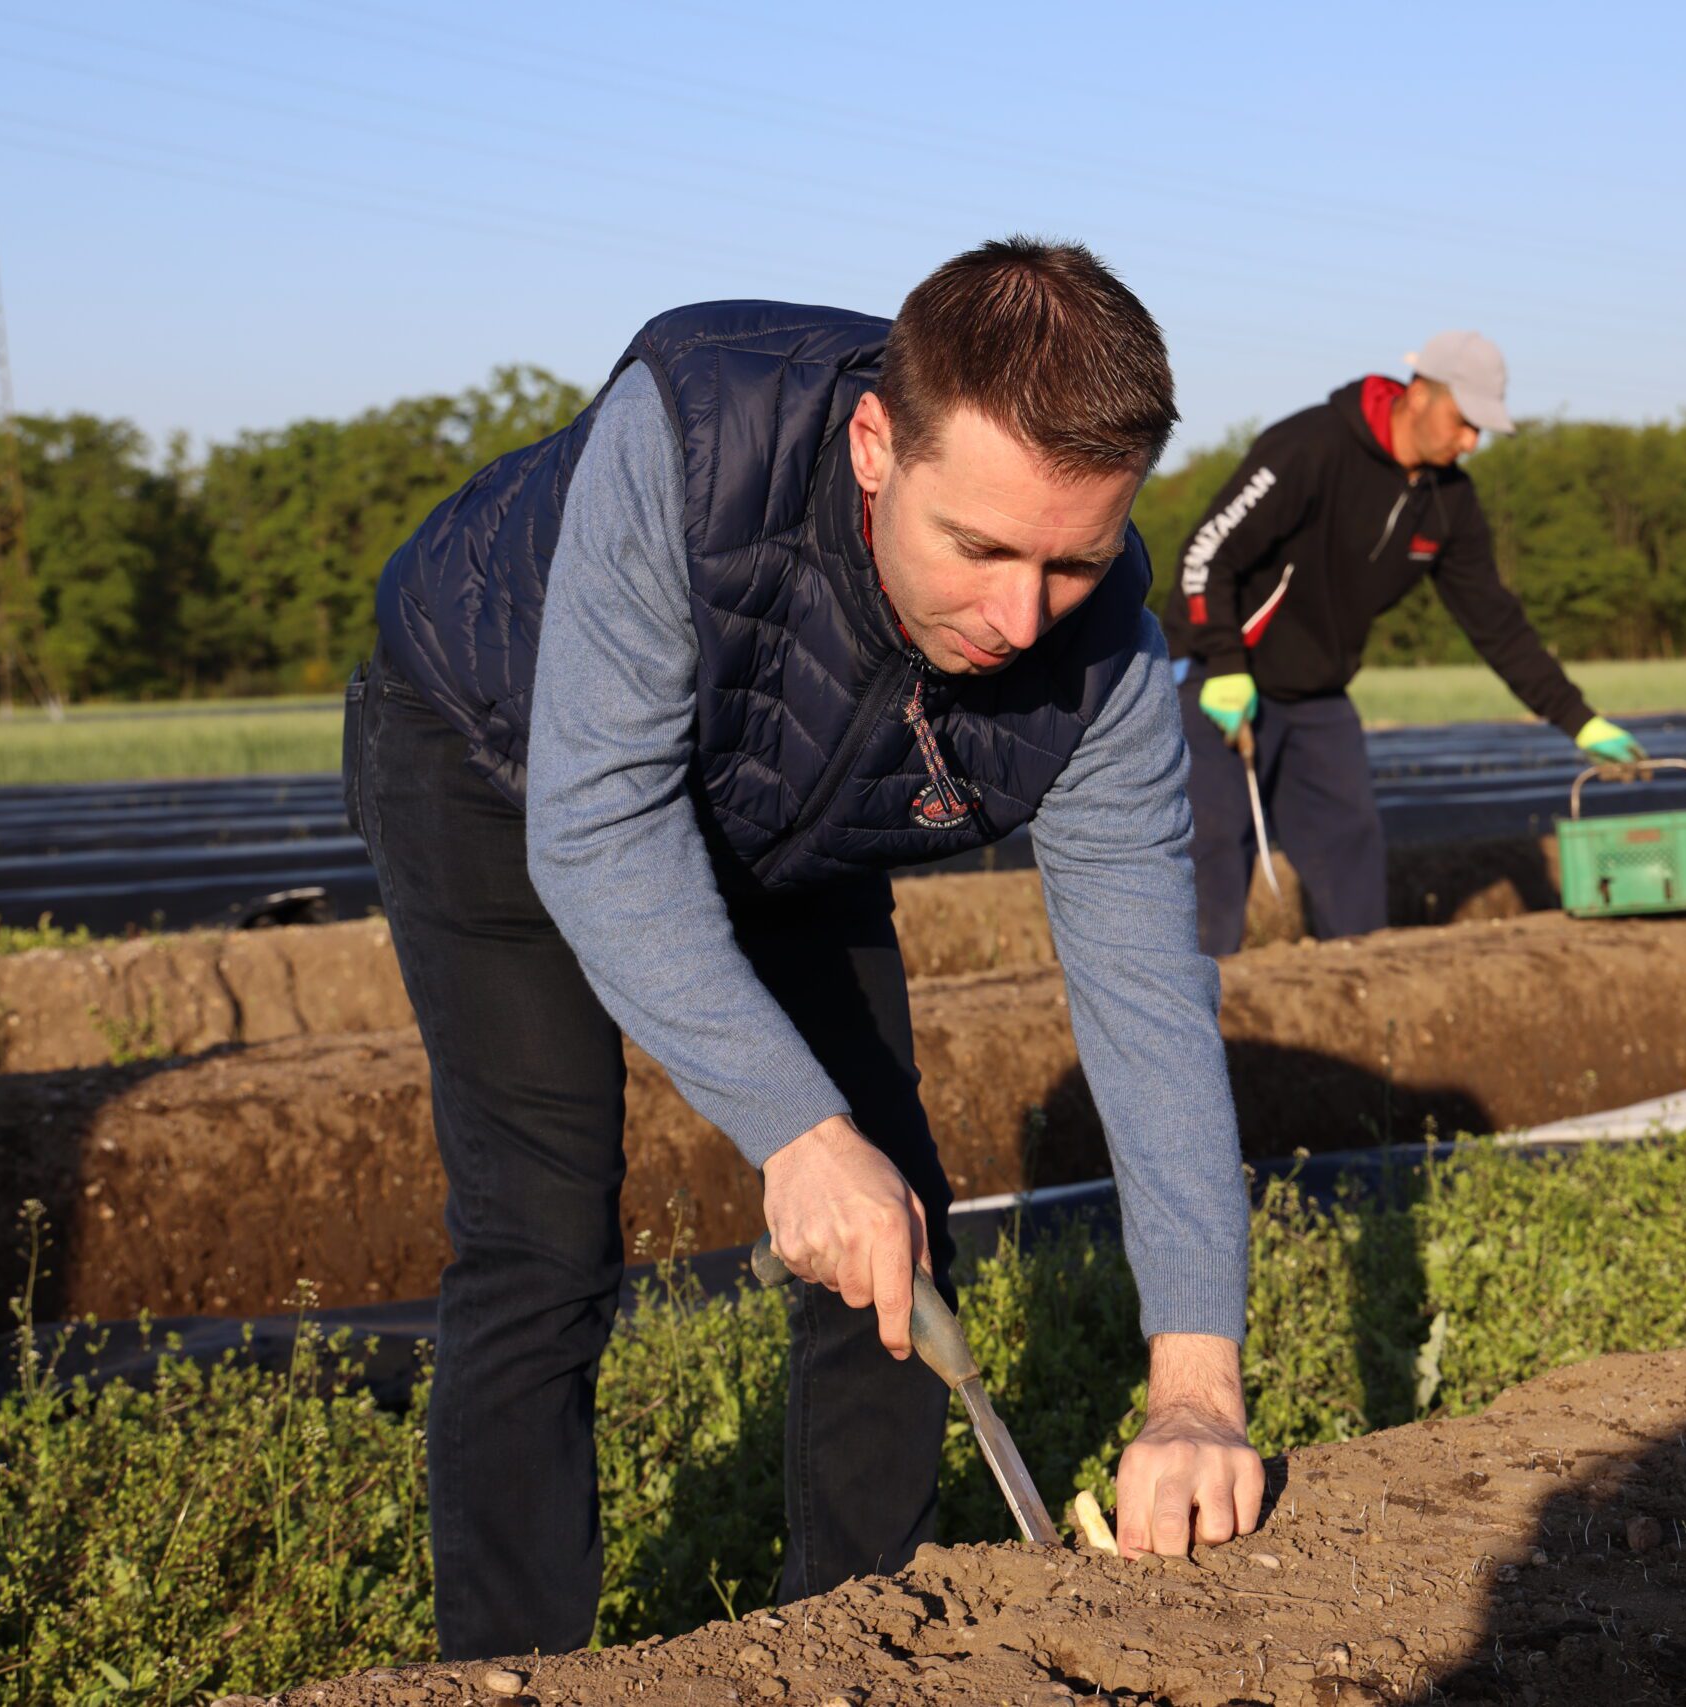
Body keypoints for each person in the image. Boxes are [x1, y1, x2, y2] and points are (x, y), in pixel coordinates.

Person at [348, 239, 1261, 1660]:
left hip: (797, 809)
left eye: (1073, 560)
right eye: (982, 547)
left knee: (891, 1221)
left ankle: (845, 1644)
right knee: (543, 1235)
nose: (1021, 617)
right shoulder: (698, 441)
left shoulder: (1110, 667)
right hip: (502, 753)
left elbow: (1149, 1002)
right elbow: (597, 830)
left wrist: (1198, 1383)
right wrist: (796, 1128)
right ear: (877, 443)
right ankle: (510, 1671)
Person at [1159, 332, 1645, 957]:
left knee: (1352, 850)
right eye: (1463, 421)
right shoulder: (1311, 446)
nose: (1470, 441)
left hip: (1317, 695)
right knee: (1215, 852)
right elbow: (1206, 552)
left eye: (1481, 430)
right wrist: (1222, 662)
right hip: (1218, 677)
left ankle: (1358, 1004)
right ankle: (1194, 1019)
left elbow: (1496, 622)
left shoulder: (1450, 503)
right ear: (1419, 395)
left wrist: (1579, 720)